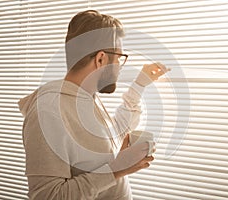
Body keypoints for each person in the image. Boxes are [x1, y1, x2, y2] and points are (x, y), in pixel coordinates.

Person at [18, 10, 170, 200]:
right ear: (101, 59)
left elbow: (115, 131)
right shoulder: (48, 111)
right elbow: (48, 196)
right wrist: (116, 169)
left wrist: (140, 84)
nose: (120, 68)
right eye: (119, 59)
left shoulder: (86, 98)